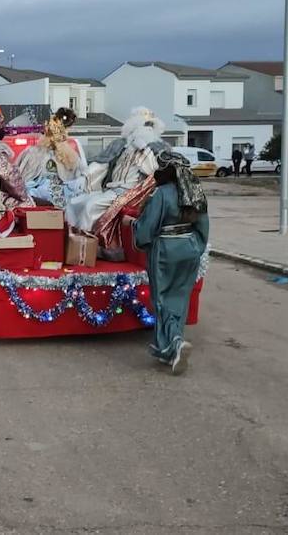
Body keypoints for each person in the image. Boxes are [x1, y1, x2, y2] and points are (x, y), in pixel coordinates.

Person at [131, 151, 209, 375]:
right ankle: (170, 347)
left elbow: (146, 231)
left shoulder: (161, 194)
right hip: (190, 249)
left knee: (163, 300)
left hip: (165, 250)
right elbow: (204, 227)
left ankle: (174, 344)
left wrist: (135, 226)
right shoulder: (196, 193)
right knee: (180, 298)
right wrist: (195, 247)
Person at [65, 107, 169, 255]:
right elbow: (102, 163)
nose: (146, 130)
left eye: (149, 126)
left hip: (128, 193)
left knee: (90, 206)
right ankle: (72, 240)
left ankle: (87, 248)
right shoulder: (122, 146)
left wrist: (145, 149)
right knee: (76, 202)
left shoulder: (152, 150)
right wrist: (85, 175)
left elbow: (153, 171)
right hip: (111, 190)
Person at [15, 107, 88, 208]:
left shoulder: (32, 154)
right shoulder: (73, 158)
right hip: (67, 213)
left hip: (39, 213)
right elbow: (82, 184)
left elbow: (18, 183)